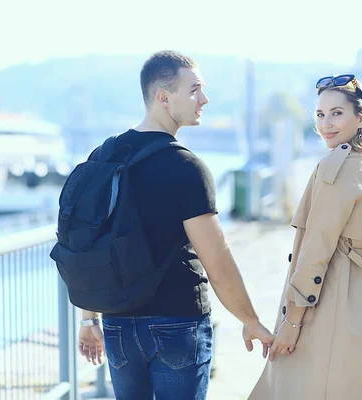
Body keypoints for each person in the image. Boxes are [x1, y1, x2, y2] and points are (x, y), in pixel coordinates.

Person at [76, 50, 274, 400]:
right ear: (163, 98)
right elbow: (218, 260)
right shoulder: (186, 167)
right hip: (177, 322)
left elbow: (85, 243)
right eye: (195, 89)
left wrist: (89, 318)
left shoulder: (103, 156)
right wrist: (251, 320)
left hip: (118, 322)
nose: (204, 99)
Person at [249, 74, 362, 400]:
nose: (326, 123)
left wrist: (292, 323)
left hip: (335, 305)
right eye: (320, 114)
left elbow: (317, 250)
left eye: (337, 113)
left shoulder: (337, 166)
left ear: (361, 117)